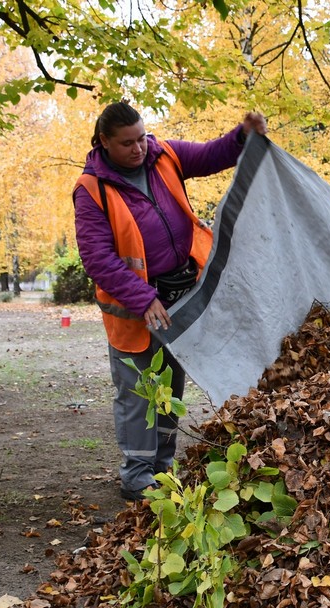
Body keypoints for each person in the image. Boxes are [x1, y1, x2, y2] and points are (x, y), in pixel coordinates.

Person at [74, 101, 267, 501]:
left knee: (170, 388)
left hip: (179, 297)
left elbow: (213, 154)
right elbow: (97, 258)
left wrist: (241, 135)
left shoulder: (165, 155)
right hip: (135, 309)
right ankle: (136, 475)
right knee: (139, 391)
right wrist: (143, 298)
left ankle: (162, 469)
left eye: (141, 137)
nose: (138, 148)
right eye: (127, 143)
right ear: (104, 142)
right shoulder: (92, 190)